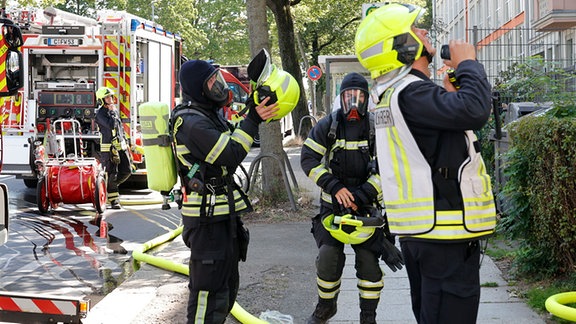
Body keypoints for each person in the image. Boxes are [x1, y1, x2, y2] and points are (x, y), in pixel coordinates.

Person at [355, 3, 497, 324]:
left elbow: (435, 143)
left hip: (428, 237)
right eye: (415, 30)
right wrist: (469, 64)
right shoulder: (411, 94)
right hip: (444, 239)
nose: (424, 32)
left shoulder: (395, 95)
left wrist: (450, 96)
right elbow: (476, 110)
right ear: (402, 46)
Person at [172, 59, 278, 323]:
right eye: (211, 81)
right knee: (207, 295)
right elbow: (230, 153)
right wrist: (253, 118)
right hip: (207, 222)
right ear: (198, 87)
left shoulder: (207, 116)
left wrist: (253, 110)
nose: (217, 85)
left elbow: (233, 135)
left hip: (220, 217)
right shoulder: (191, 123)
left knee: (225, 292)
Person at [301, 72, 404, 324]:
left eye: (359, 96)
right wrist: (334, 187)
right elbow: (308, 159)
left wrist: (362, 195)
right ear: (341, 98)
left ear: (367, 99)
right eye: (349, 96)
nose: (354, 102)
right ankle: (326, 307)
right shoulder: (328, 125)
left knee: (369, 264)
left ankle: (368, 316)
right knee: (327, 258)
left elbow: (390, 167)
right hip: (333, 208)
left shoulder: (377, 128)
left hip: (366, 209)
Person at [95, 87, 132, 209]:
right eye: (107, 97)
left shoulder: (114, 111)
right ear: (101, 100)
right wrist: (112, 112)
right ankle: (113, 200)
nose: (110, 99)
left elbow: (119, 128)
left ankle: (108, 186)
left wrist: (126, 143)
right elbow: (111, 125)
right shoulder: (100, 114)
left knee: (127, 170)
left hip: (120, 147)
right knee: (112, 173)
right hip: (109, 149)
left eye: (111, 97)